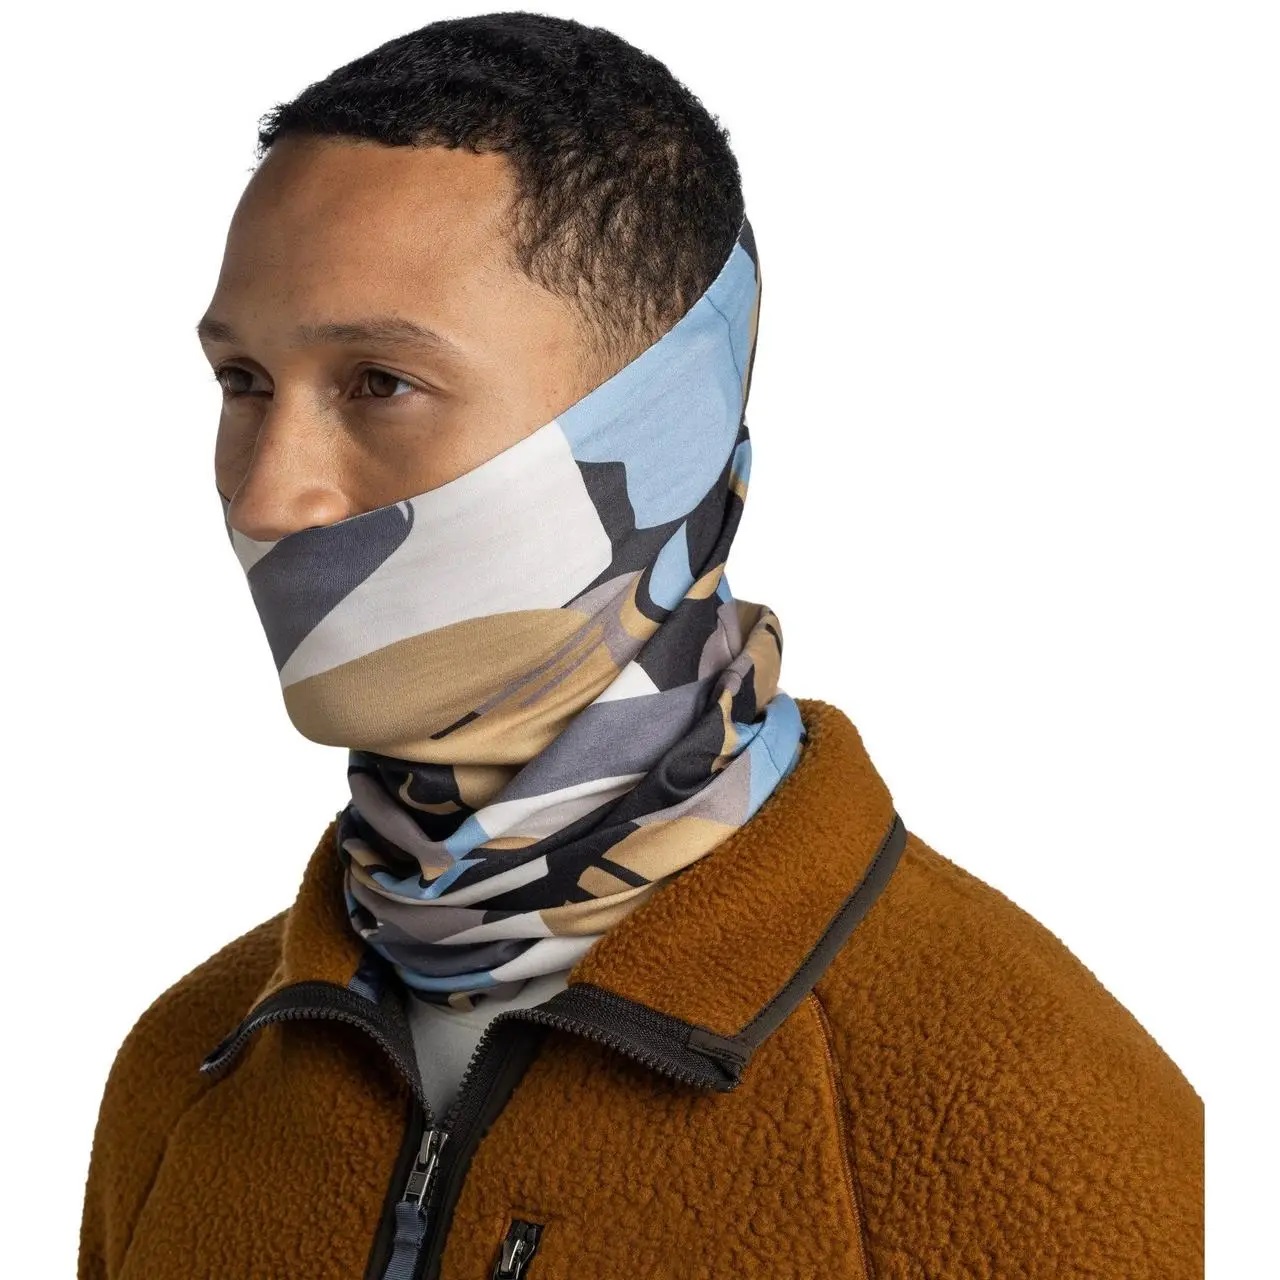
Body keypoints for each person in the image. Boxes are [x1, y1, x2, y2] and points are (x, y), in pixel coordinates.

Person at [77, 12, 1203, 1280]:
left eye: (379, 382)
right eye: (242, 382)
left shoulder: (1028, 1119)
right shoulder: (185, 1069)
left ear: (656, 432)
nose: (266, 493)